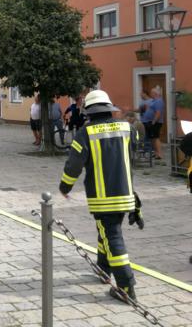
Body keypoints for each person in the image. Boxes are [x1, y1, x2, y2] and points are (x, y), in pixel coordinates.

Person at [59, 90, 141, 302]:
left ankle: (126, 286)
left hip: (103, 198)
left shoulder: (85, 133)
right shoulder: (128, 128)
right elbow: (135, 149)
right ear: (109, 108)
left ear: (89, 111)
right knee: (105, 231)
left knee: (112, 236)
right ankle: (104, 268)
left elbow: (74, 165)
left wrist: (65, 187)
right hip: (125, 193)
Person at [146, 88, 165, 160]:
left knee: (156, 138)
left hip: (156, 122)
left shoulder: (159, 101)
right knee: (152, 138)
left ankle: (159, 154)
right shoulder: (153, 100)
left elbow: (158, 113)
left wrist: (154, 121)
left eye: (151, 92)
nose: (150, 94)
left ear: (155, 93)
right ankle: (156, 153)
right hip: (151, 121)